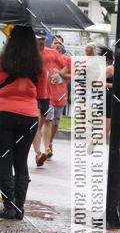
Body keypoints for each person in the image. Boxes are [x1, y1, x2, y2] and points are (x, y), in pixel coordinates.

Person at [0, 24, 45, 219]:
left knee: (4, 159)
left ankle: (9, 206)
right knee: (21, 161)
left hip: (4, 115)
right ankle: (19, 207)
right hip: (29, 117)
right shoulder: (39, 66)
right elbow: (43, 97)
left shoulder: (2, 61)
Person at [32, 30, 68, 167]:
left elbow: (64, 67)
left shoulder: (51, 53)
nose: (41, 41)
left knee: (47, 121)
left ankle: (46, 149)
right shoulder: (29, 54)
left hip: (46, 95)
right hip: (32, 94)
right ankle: (38, 153)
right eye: (38, 39)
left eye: (42, 38)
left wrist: (59, 74)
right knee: (36, 122)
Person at [46, 33, 71, 160]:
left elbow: (73, 76)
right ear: (51, 44)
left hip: (61, 96)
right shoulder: (47, 57)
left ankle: (50, 142)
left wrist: (61, 75)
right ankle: (46, 147)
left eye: (60, 43)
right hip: (48, 95)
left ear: (62, 46)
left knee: (56, 122)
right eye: (55, 43)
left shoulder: (66, 60)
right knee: (48, 120)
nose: (57, 45)